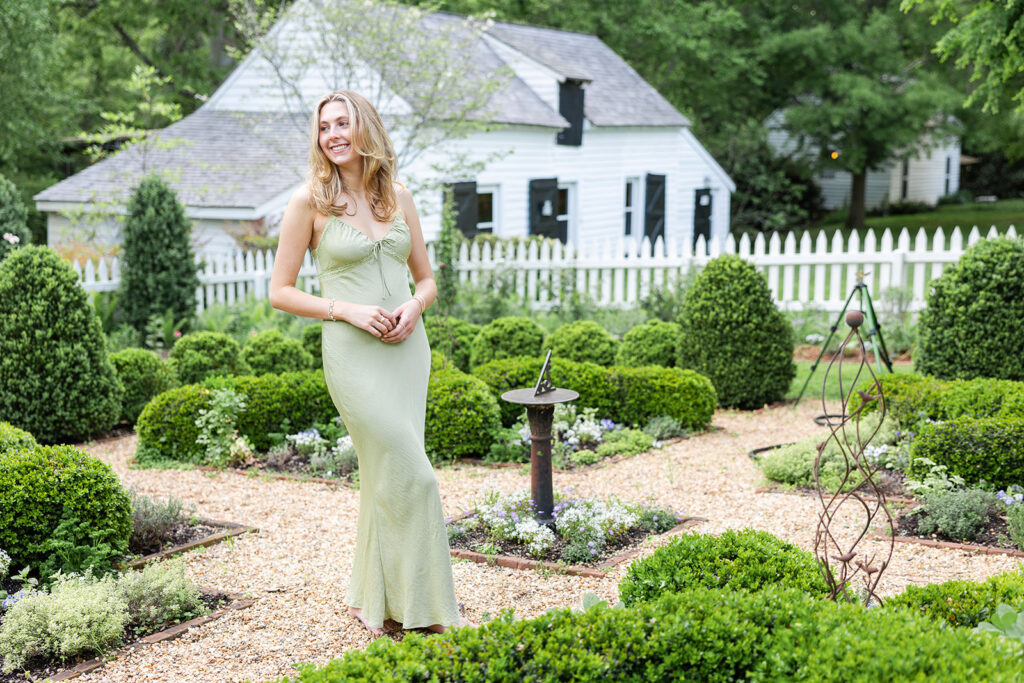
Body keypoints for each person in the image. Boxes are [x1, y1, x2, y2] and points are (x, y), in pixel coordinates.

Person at [269, 90, 467, 636]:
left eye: (342, 124)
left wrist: (414, 305)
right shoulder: (307, 202)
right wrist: (347, 310)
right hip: (353, 356)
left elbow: (426, 279)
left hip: (408, 349)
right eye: (324, 127)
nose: (332, 134)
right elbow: (280, 292)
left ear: (365, 129)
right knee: (416, 476)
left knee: (386, 475)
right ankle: (429, 609)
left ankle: (371, 599)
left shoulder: (398, 196)